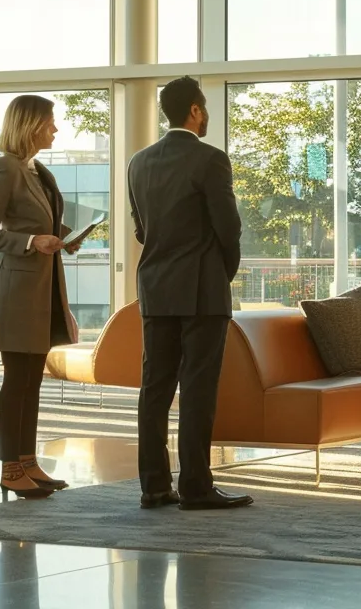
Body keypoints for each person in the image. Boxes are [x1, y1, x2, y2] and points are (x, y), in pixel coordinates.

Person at [128, 77, 252, 512]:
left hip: (156, 288)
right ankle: (196, 486)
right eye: (206, 108)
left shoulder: (138, 163)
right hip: (201, 289)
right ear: (195, 111)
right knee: (198, 388)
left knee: (155, 388)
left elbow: (142, 229)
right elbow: (229, 228)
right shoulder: (210, 160)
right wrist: (221, 274)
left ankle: (154, 486)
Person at [0, 95, 83, 500]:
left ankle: (28, 460)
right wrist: (31, 241)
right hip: (17, 289)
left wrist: (60, 237)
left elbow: (40, 219)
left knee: (33, 380)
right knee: (17, 380)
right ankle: (9, 467)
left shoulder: (36, 170)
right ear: (31, 125)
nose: (55, 130)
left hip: (43, 287)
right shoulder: (4, 167)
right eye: (50, 123)